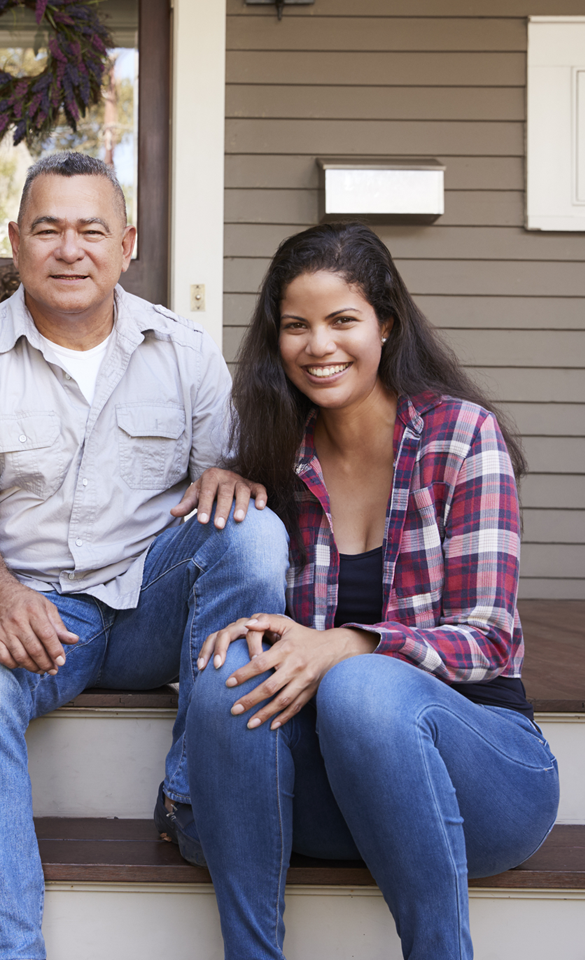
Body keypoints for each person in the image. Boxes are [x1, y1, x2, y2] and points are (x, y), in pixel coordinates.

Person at [0, 151, 290, 960]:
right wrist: (0, 595)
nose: (69, 248)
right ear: (15, 243)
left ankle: (192, 793)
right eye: (47, 229)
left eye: (91, 229)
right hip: (36, 614)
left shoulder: (184, 351)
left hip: (154, 603)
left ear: (127, 244)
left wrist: (230, 475)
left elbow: (218, 480)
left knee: (256, 530)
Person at [181, 222, 560, 960]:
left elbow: (488, 636)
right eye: (296, 326)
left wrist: (349, 644)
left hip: (482, 778)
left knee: (360, 685)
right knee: (226, 673)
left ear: (385, 323)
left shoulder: (461, 437)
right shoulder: (274, 458)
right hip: (338, 791)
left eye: (342, 320)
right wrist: (223, 479)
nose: (319, 345)